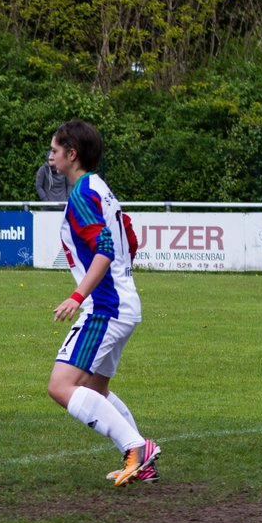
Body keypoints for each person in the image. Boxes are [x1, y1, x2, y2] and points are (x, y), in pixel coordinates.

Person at [46, 119, 160, 486]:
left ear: (72, 154)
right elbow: (129, 237)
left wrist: (79, 296)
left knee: (61, 386)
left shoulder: (82, 193)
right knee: (95, 389)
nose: (50, 158)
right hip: (124, 304)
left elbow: (106, 249)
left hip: (106, 308)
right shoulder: (101, 188)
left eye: (54, 150)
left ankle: (135, 448)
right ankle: (142, 458)